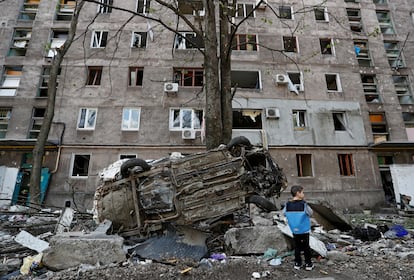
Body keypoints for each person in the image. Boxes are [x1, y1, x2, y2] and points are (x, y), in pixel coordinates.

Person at [283, 185, 314, 271]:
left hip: (294, 230)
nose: (303, 194)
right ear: (298, 193)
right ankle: (308, 264)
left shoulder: (288, 204)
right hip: (304, 230)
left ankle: (297, 263)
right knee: (306, 247)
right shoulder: (304, 204)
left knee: (297, 247)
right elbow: (310, 213)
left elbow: (284, 213)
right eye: (302, 192)